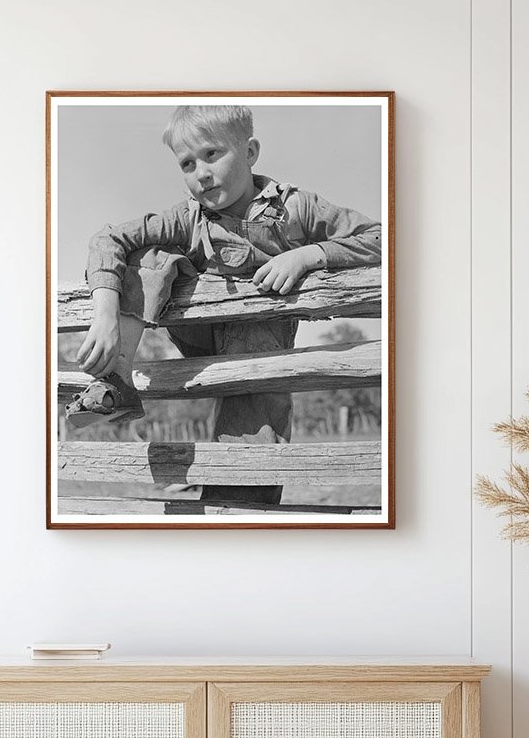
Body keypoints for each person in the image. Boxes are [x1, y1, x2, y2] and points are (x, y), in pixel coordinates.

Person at [66, 104, 380, 504]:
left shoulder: (295, 209)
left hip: (259, 346)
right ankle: (117, 378)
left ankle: (239, 521)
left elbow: (379, 237)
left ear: (249, 152)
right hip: (196, 332)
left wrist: (306, 255)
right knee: (153, 255)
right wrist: (106, 313)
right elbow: (108, 239)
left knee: (247, 458)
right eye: (187, 163)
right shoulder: (190, 217)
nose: (201, 173)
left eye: (212, 154)